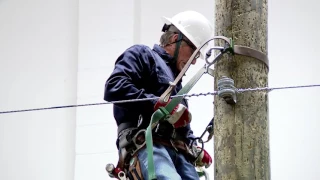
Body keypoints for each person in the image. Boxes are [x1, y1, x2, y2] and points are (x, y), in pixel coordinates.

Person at [104, 10, 214, 180]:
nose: (193, 61)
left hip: (180, 153)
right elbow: (114, 87)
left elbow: (181, 126)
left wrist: (193, 144)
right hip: (148, 145)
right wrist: (157, 104)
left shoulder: (176, 84)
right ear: (174, 39)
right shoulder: (142, 54)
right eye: (193, 51)